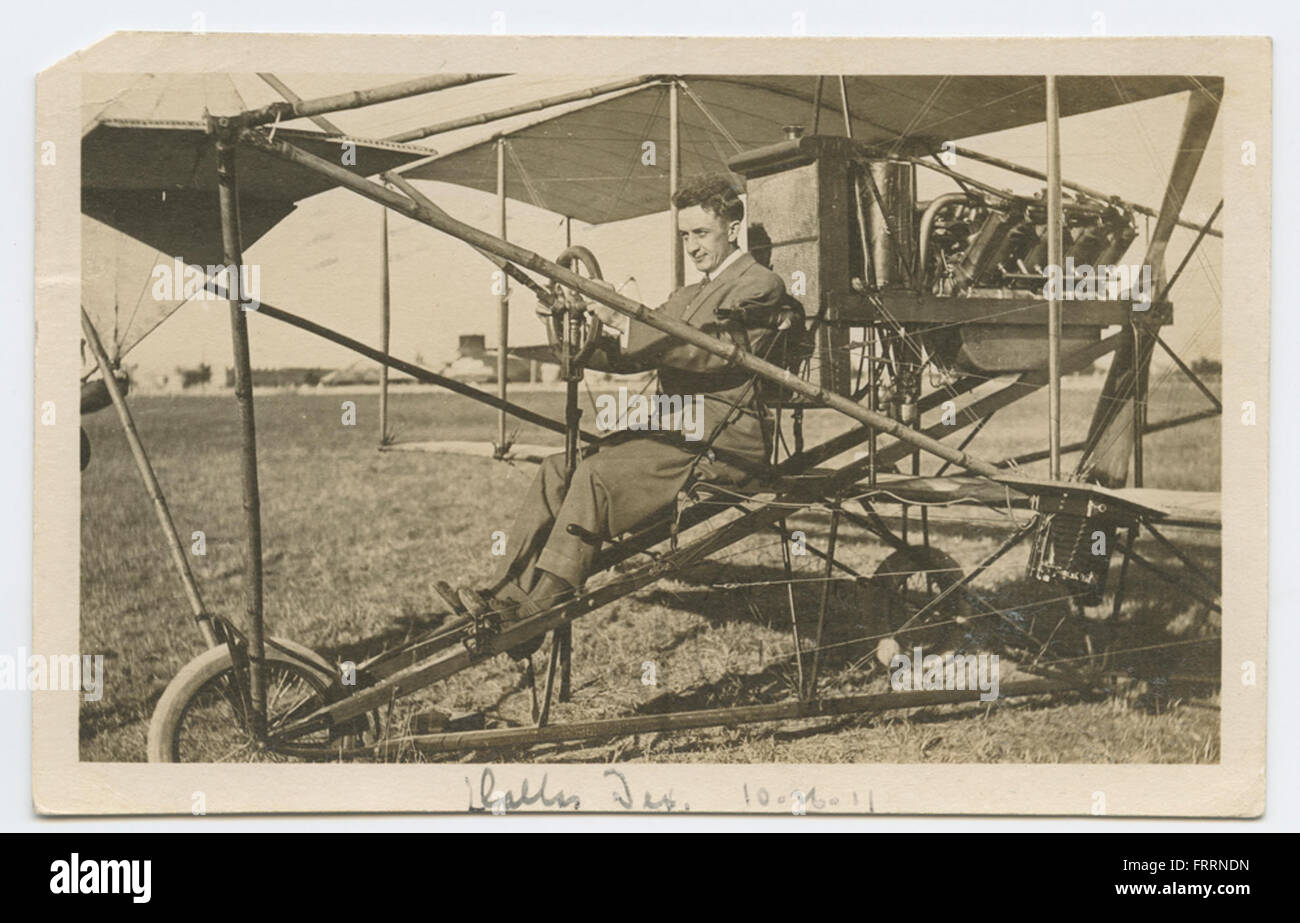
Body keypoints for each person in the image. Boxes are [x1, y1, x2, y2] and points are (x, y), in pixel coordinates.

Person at [459, 175, 801, 656]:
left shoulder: (759, 285)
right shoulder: (687, 295)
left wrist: (622, 316)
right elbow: (633, 356)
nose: (692, 246)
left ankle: (540, 612)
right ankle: (505, 596)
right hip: (676, 430)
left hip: (722, 441)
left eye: (701, 233)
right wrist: (568, 322)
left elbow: (718, 354)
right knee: (558, 468)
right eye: (684, 236)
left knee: (596, 475)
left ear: (733, 226)